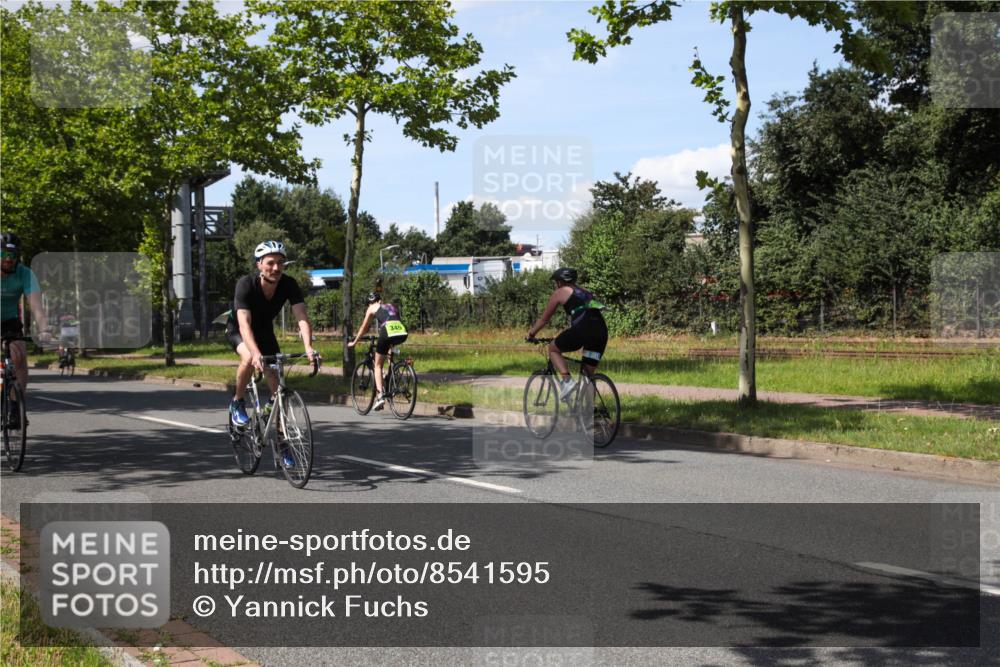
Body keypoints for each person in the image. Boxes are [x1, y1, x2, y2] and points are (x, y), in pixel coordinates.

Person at [226, 241, 316, 466]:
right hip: (238, 330)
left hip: (265, 333)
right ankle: (237, 402)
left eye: (280, 263)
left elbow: (302, 318)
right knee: (248, 357)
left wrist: (308, 348)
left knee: (279, 389)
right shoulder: (246, 284)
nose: (276, 268)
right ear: (259, 265)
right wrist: (256, 354)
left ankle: (282, 444)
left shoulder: (288, 284)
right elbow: (244, 325)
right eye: (271, 263)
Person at [526, 267, 608, 400]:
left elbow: (544, 319)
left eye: (556, 282)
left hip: (583, 330)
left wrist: (531, 334)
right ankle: (593, 415)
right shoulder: (586, 292)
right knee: (587, 377)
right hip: (600, 332)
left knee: (553, 348)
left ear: (559, 282)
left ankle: (567, 381)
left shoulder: (560, 292)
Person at [1, 232, 51, 428]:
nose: (7, 260)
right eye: (2, 255)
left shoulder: (25, 274)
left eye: (11, 256)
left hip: (9, 321)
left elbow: (37, 307)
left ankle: (15, 408)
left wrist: (44, 329)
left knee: (19, 356)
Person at [348, 292, 407, 410]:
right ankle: (392, 375)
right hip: (402, 331)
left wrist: (354, 342)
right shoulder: (391, 306)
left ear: (369, 303)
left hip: (387, 331)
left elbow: (364, 328)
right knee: (389, 348)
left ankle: (380, 396)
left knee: (378, 366)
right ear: (380, 300)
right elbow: (394, 319)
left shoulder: (371, 308)